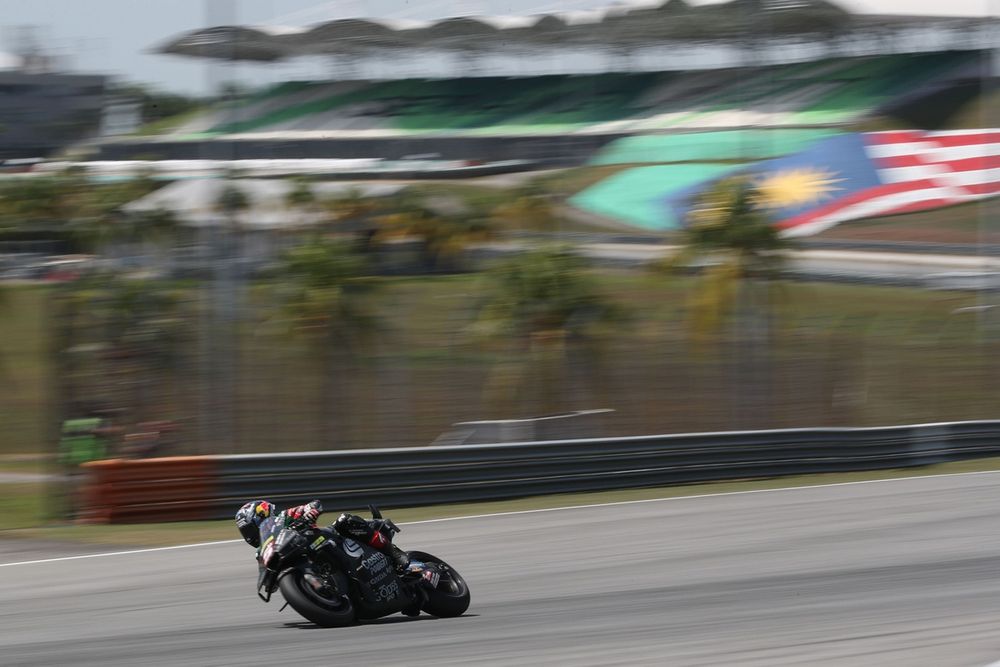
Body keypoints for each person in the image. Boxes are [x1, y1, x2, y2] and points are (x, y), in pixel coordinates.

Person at [235, 499, 411, 573]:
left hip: (324, 539)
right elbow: (267, 583)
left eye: (251, 528)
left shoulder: (284, 517)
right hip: (311, 565)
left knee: (345, 520)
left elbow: (314, 504)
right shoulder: (262, 552)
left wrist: (310, 512)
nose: (250, 533)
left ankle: (393, 552)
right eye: (247, 531)